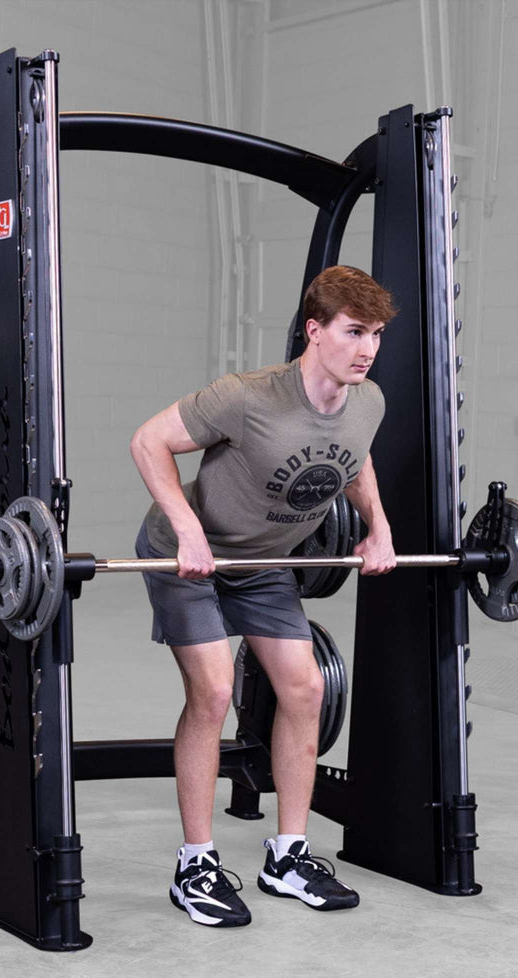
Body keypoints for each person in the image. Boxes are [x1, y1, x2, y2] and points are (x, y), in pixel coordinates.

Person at [129, 265, 399, 928]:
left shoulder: (368, 403)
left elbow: (355, 460)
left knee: (305, 689)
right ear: (315, 330)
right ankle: (195, 864)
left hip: (265, 563)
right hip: (187, 556)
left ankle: (287, 856)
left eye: (377, 335)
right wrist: (188, 531)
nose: (367, 347)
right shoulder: (247, 397)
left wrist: (379, 529)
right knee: (215, 692)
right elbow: (149, 441)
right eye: (354, 331)